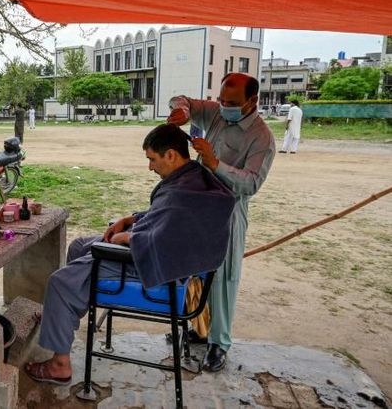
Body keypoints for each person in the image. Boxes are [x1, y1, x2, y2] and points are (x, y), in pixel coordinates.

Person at [24, 124, 236, 385]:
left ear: (171, 155)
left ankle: (59, 365)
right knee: (79, 246)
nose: (150, 167)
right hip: (160, 252)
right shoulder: (192, 178)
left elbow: (164, 238)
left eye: (152, 159)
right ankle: (63, 313)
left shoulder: (183, 192)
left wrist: (129, 238)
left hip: (159, 268)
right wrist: (131, 219)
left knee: (59, 281)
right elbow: (166, 219)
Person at [167, 72, 275, 372]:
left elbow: (251, 183)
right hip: (199, 203)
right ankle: (200, 328)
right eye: (221, 100)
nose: (224, 106)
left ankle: (219, 342)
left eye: (232, 102)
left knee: (224, 277)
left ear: (252, 101)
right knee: (194, 271)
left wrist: (215, 163)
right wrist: (183, 110)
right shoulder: (216, 112)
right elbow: (184, 99)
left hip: (229, 210)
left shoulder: (261, 137)